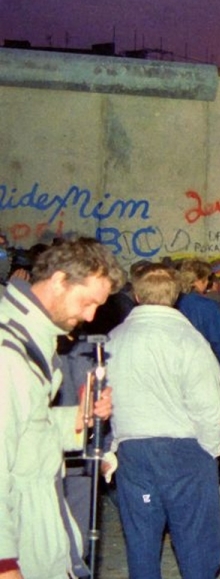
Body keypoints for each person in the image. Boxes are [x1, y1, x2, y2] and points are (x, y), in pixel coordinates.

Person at [0, 238, 124, 579]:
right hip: (21, 548)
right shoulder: (9, 354)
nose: (90, 316)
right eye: (87, 302)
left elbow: (26, 429)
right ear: (58, 280)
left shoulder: (31, 337)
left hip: (38, 530)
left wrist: (77, 418)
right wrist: (5, 564)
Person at [106, 263, 220, 579]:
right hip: (184, 449)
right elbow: (210, 402)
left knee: (142, 542)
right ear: (176, 296)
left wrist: (114, 443)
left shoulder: (114, 340)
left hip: (132, 449)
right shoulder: (188, 340)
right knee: (197, 542)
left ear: (135, 294)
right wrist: (211, 447)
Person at [176, 258, 220, 363]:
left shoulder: (174, 303)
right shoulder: (208, 306)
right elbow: (219, 343)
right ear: (196, 280)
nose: (207, 282)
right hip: (204, 363)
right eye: (205, 279)